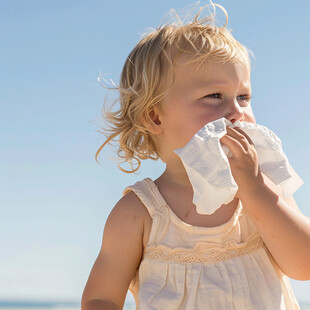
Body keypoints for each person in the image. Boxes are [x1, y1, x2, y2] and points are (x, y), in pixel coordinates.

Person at [81, 2, 310, 309]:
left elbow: (303, 265)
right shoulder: (140, 212)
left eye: (243, 96)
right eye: (214, 96)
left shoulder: (262, 187)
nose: (237, 111)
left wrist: (255, 191)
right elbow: (101, 296)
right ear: (156, 118)